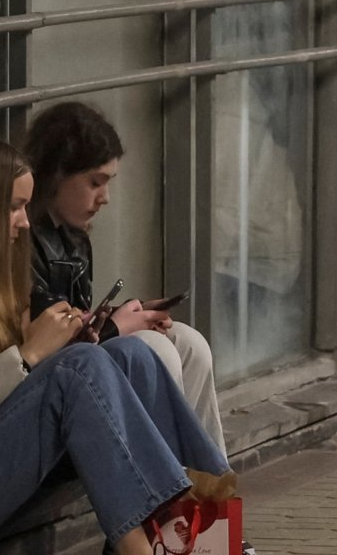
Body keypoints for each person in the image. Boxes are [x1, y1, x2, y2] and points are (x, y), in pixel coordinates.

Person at [0, 134, 235, 554]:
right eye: (14, 207)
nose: (25, 223)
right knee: (77, 368)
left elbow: (13, 396)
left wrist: (67, 341)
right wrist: (30, 354)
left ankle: (213, 537)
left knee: (133, 355)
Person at [22, 102, 227, 452]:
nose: (105, 198)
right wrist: (116, 328)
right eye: (95, 182)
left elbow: (78, 321)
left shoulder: (73, 236)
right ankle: (166, 477)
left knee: (191, 345)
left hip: (79, 359)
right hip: (50, 382)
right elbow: (51, 342)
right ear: (56, 174)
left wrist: (127, 315)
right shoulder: (22, 238)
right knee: (155, 349)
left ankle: (208, 475)